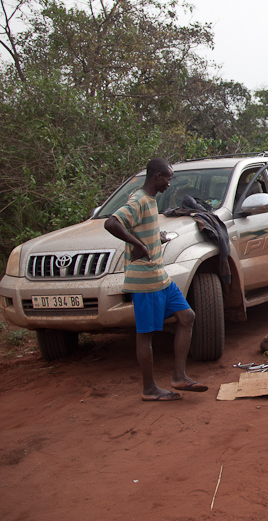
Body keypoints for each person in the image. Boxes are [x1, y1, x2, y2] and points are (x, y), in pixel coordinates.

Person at [103, 158, 208, 402]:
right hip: (145, 280)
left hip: (159, 276)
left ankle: (179, 376)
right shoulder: (138, 200)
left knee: (187, 316)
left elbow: (139, 228)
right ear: (157, 177)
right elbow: (112, 223)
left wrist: (154, 238)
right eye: (168, 178)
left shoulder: (150, 201)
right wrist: (138, 244)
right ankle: (149, 388)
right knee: (146, 334)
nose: (169, 183)